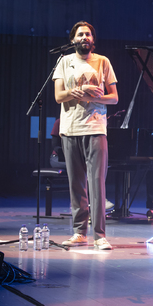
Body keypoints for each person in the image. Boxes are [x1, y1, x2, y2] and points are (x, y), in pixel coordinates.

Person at [53, 21, 118, 250]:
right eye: (80, 34)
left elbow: (115, 98)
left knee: (97, 184)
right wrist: (74, 92)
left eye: (88, 34)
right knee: (76, 184)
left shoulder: (103, 62)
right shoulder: (64, 62)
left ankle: (100, 235)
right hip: (70, 129)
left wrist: (93, 98)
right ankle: (79, 232)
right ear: (73, 40)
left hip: (95, 128)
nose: (84, 37)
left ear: (93, 39)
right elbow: (59, 96)